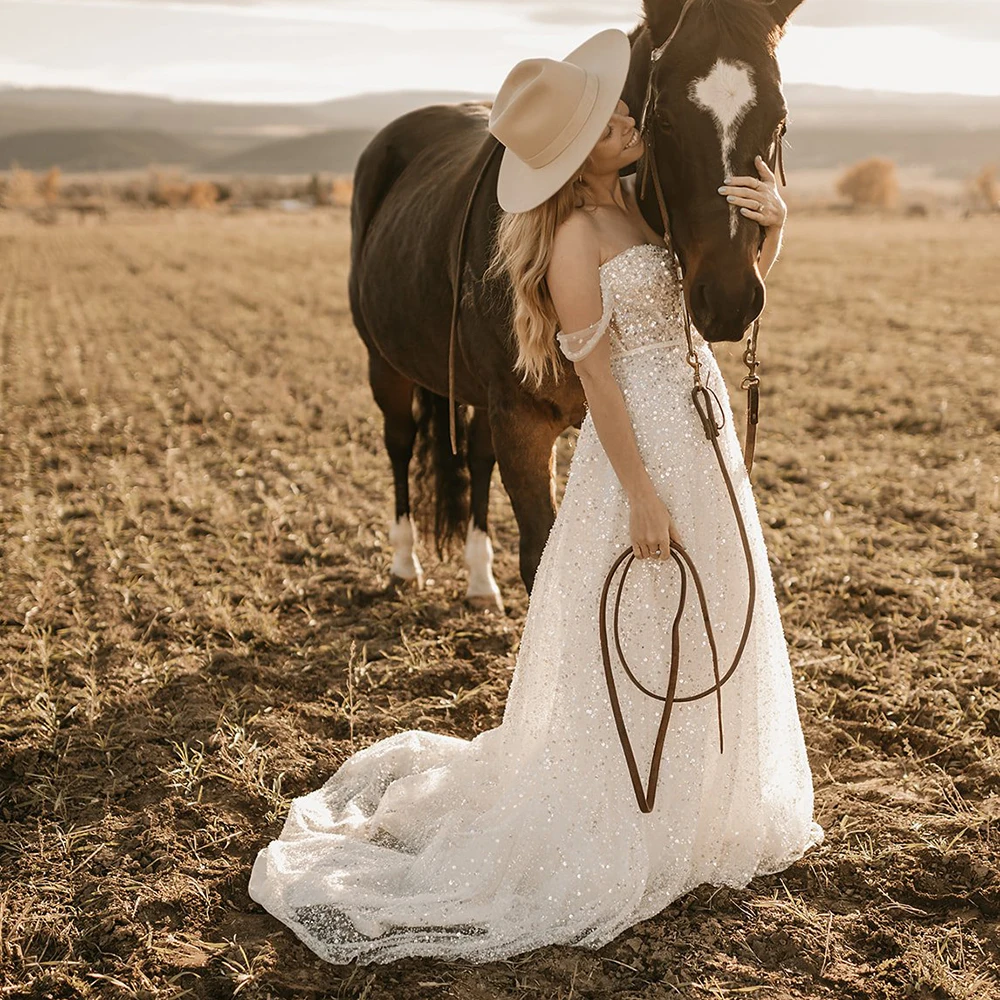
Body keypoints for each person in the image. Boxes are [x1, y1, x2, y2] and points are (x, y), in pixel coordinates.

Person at [249, 27, 823, 964]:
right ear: (578, 151)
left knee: (716, 605)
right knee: (638, 615)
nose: (631, 116)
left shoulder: (643, 213)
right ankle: (628, 796)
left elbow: (695, 323)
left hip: (695, 428)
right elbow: (596, 385)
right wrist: (637, 491)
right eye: (614, 119)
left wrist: (774, 231)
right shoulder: (573, 240)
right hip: (647, 448)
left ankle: (702, 786)